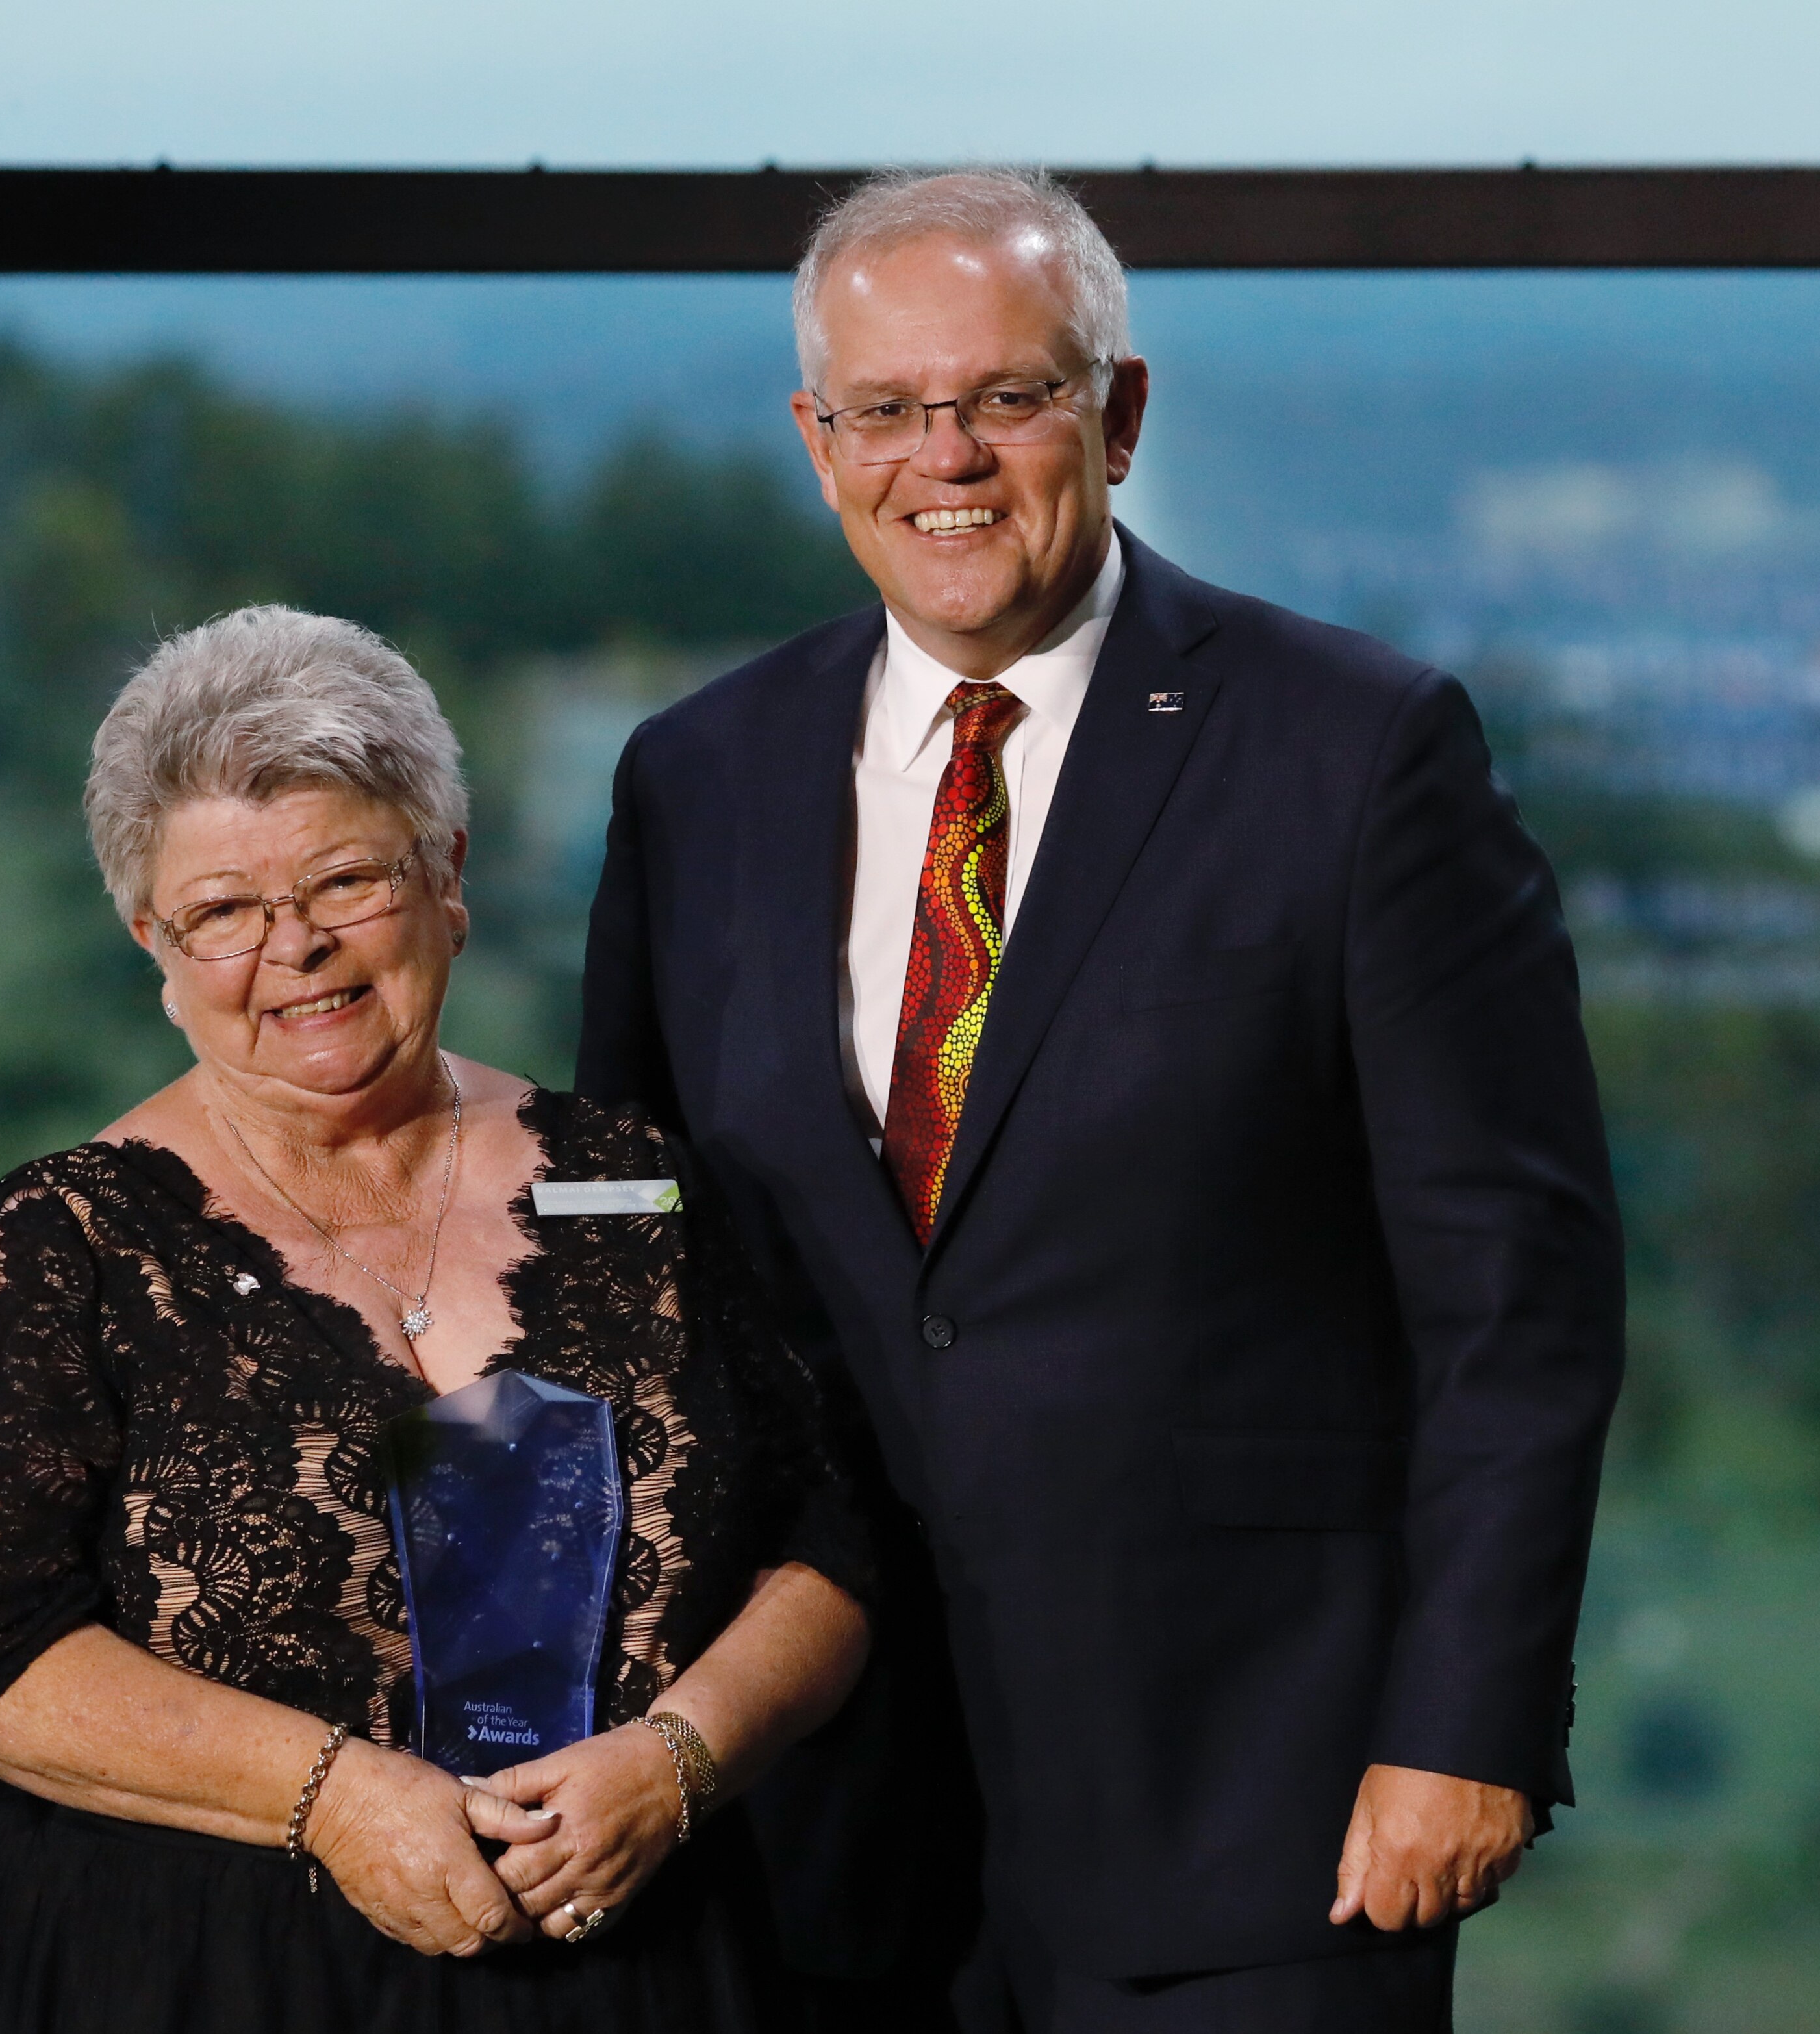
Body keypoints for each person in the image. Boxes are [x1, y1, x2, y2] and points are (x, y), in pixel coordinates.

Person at [578, 169, 1624, 2032]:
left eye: (1007, 396)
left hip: (1259, 1807)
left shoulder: (1357, 752)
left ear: (1119, 415)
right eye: (887, 410)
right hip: (817, 1816)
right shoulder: (699, 778)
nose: (946, 459)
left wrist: (1466, 1720)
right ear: (817, 442)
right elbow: (632, 1293)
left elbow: (1516, 1301)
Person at [0, 604, 878, 2033]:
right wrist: (332, 1800)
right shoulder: (64, 1245)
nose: (294, 949)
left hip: (631, 1968)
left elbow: (827, 1543)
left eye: (347, 880)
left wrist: (679, 1758)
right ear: (151, 942)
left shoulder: (635, 1182)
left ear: (447, 876)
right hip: (182, 1980)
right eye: (224, 911)